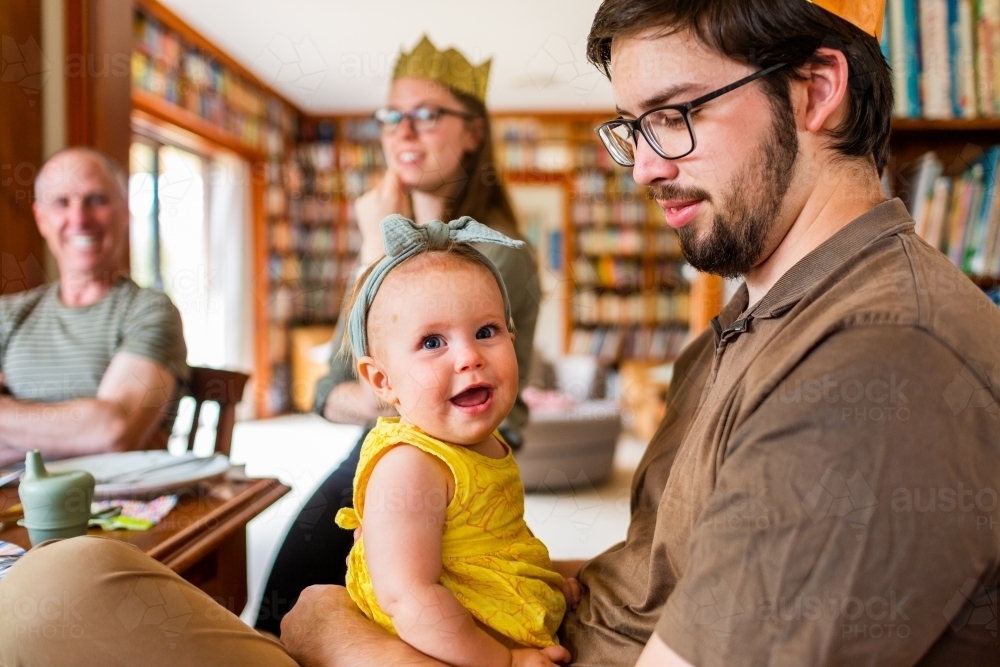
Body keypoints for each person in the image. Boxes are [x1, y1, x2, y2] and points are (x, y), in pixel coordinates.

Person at [2, 1, 998, 665]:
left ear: (816, 90)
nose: (644, 169)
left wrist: (350, 637)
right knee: (72, 576)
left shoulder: (879, 362)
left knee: (60, 613)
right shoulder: (752, 323)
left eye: (673, 114)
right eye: (630, 129)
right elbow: (662, 581)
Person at [254, 35, 541, 633]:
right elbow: (329, 388)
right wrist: (370, 248)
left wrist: (383, 400)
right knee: (291, 600)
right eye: (391, 118)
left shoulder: (496, 255)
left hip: (454, 462)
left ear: (473, 133)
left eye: (427, 115)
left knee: (305, 605)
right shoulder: (384, 245)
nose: (402, 134)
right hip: (384, 445)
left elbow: (381, 396)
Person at [334, 214, 579, 667]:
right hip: (444, 648)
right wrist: (504, 660)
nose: (469, 357)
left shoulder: (480, 441)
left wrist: (534, 579)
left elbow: (492, 537)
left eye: (486, 332)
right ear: (383, 380)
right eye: (432, 342)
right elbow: (409, 598)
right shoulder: (410, 466)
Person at [0, 148, 188, 468]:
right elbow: (107, 437)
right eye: (61, 203)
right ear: (41, 218)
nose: (79, 219)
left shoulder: (149, 311)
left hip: (111, 510)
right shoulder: (8, 315)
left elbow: (113, 432)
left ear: (125, 211)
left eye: (97, 200)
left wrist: (13, 435)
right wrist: (79, 435)